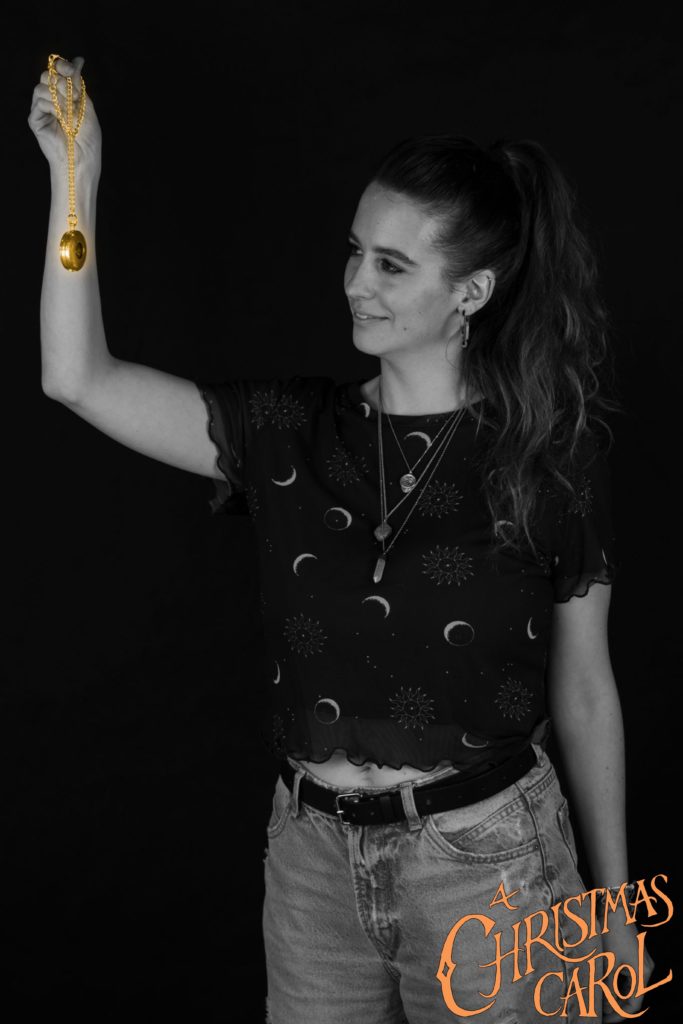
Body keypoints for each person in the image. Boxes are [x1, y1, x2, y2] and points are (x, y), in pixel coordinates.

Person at [30, 56, 656, 1024]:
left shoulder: (546, 459)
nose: (356, 282)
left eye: (392, 265)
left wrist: (613, 903)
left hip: (488, 868)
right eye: (355, 250)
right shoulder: (286, 432)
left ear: (471, 291)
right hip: (312, 862)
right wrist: (76, 175)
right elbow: (77, 379)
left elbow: (583, 689)